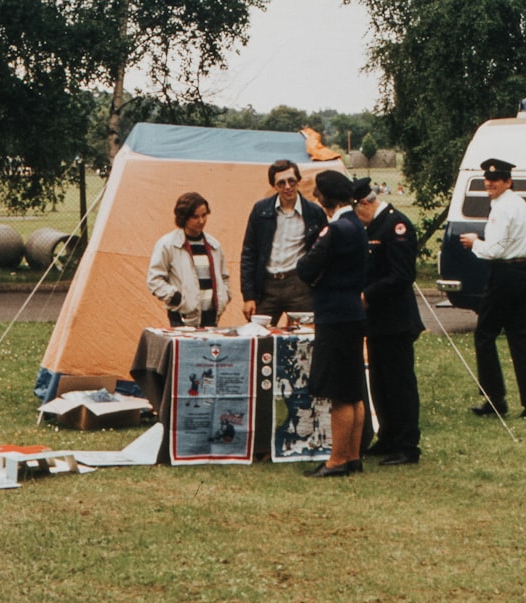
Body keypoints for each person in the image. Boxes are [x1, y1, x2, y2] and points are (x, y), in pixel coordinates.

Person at [296, 170, 369, 477]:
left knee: (338, 391)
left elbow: (306, 266)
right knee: (354, 390)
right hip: (352, 310)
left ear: (326, 197)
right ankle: (352, 455)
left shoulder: (336, 229)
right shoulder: (358, 224)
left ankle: (336, 460)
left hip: (334, 313)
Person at [459, 158, 526, 419]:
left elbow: (494, 250)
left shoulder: (503, 208)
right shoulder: (519, 203)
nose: (490, 183)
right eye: (487, 179)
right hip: (523, 273)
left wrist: (474, 243)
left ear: (508, 181)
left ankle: (495, 400)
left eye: (496, 179)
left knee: (484, 335)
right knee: (521, 339)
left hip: (503, 274)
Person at [353, 177, 424, 466]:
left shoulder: (397, 226)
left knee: (399, 383)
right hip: (378, 321)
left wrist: (367, 295)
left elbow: (402, 275)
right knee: (380, 383)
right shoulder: (374, 226)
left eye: (356, 210)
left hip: (396, 320)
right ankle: (388, 435)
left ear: (365, 204)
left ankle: (407, 444)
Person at [240, 159, 328, 326]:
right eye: (281, 183)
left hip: (299, 285)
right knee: (259, 337)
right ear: (274, 186)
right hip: (267, 286)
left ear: (298, 181)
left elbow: (323, 253)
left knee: (304, 339)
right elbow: (249, 253)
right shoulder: (261, 210)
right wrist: (249, 296)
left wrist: (317, 287)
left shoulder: (314, 213)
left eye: (291, 181)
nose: (287, 187)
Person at [147, 192, 230, 328]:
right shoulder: (168, 244)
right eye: (195, 217)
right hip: (183, 316)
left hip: (212, 316)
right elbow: (154, 279)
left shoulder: (214, 245)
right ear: (184, 217)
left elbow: (224, 277)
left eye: (204, 215)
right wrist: (176, 298)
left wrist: (224, 296)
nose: (201, 221)